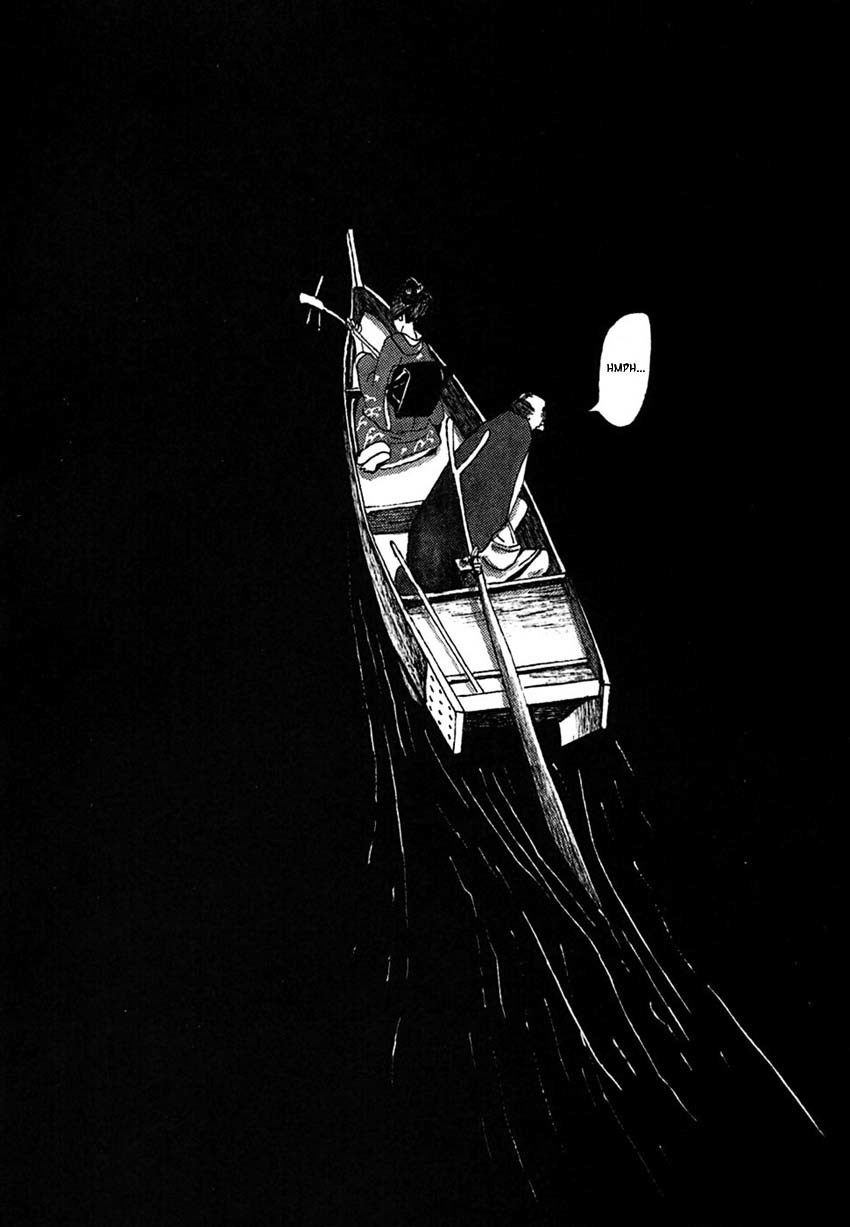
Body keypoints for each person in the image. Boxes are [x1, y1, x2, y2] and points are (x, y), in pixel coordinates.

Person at [398, 394, 550, 593]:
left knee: (520, 507)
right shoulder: (519, 435)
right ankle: (490, 571)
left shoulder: (499, 426)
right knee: (541, 559)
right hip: (446, 568)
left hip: (434, 554)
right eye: (542, 416)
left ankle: (489, 566)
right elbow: (504, 493)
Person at [354, 278, 445, 472]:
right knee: (428, 432)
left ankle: (379, 445)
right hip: (418, 428)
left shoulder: (393, 345)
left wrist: (363, 360)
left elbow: (375, 388)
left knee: (361, 403)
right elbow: (437, 410)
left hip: (392, 424)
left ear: (402, 316)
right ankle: (411, 446)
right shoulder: (427, 352)